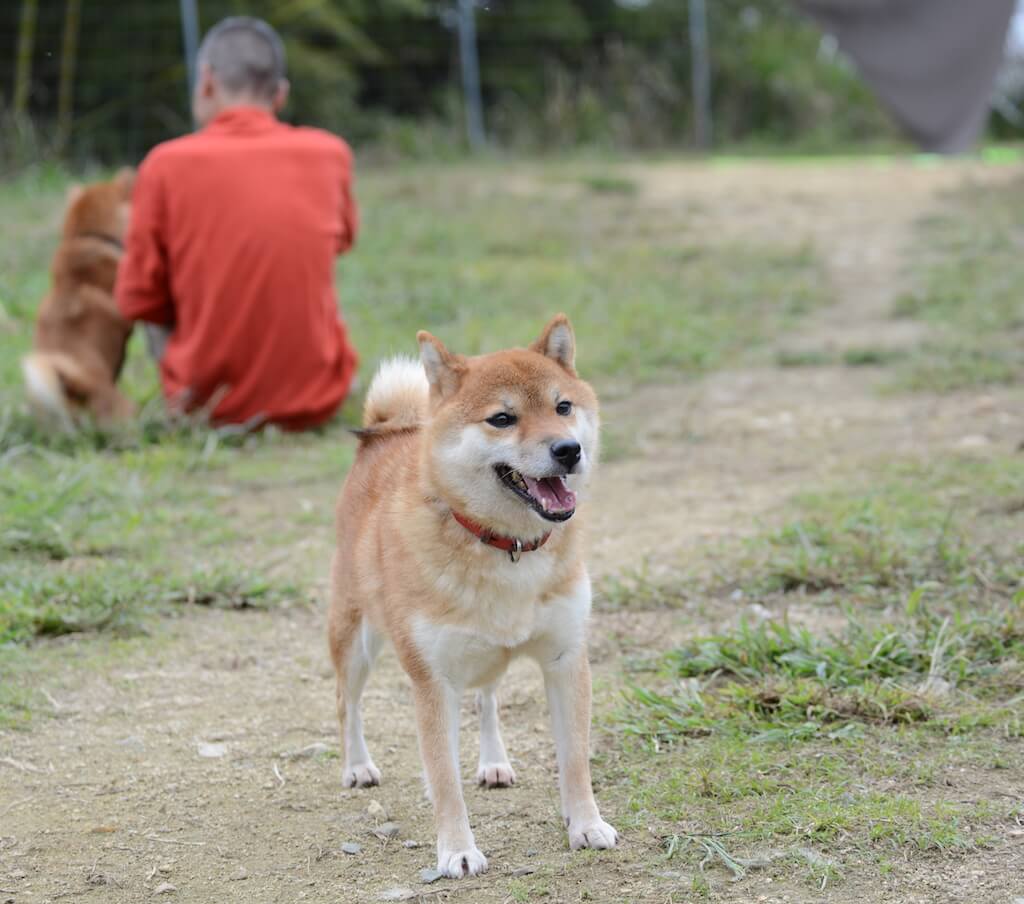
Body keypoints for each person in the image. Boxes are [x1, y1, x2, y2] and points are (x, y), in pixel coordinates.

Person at [116, 16, 359, 430]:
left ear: (206, 82)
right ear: (280, 94)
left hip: (207, 408)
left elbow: (138, 298)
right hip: (318, 403)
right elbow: (342, 241)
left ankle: (186, 396)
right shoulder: (330, 154)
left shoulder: (164, 165)